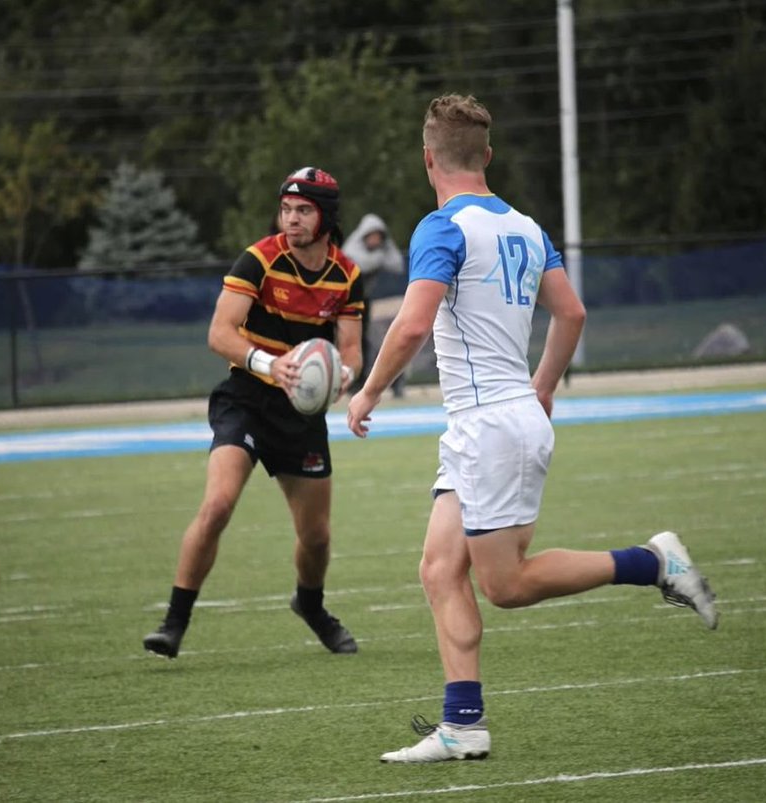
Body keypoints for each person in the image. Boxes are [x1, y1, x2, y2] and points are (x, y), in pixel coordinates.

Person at [346, 94, 718, 763]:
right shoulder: (525, 225)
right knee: (439, 568)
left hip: (489, 426)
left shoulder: (442, 227)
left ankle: (654, 561)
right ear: (486, 156)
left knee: (506, 586)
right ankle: (463, 724)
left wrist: (368, 391)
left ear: (428, 159)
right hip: (493, 420)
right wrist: (542, 387)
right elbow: (571, 313)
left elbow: (411, 324)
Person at [143, 166, 365, 659]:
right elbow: (219, 333)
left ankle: (311, 605)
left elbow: (350, 349)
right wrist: (270, 364)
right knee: (218, 505)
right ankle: (174, 622)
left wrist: (343, 376)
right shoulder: (260, 260)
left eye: (303, 210)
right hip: (245, 398)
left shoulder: (346, 275)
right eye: (286, 209)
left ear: (326, 217)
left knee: (317, 537)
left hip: (300, 413)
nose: (291, 219)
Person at [342, 213, 406, 396]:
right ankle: (352, 382)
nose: (375, 240)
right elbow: (361, 263)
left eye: (379, 237)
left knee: (370, 341)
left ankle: (391, 381)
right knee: (352, 342)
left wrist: (386, 245)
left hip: (364, 301)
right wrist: (380, 255)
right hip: (343, 302)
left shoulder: (382, 248)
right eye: (372, 236)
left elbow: (397, 264)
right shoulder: (353, 246)